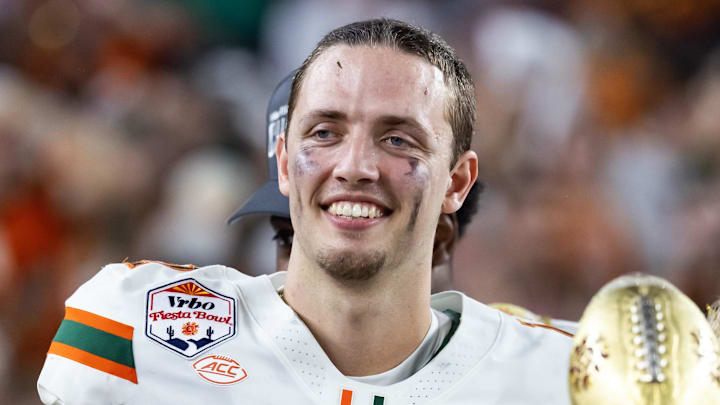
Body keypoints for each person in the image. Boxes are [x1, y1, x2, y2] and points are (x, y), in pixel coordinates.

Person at [38, 19, 573, 404]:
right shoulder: (133, 327)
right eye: (325, 133)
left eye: (397, 138)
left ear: (457, 183)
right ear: (285, 165)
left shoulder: (569, 374)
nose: (355, 166)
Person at [227, 71, 483, 293]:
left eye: (395, 139)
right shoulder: (233, 337)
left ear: (440, 240)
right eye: (288, 240)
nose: (351, 169)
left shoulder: (509, 343)